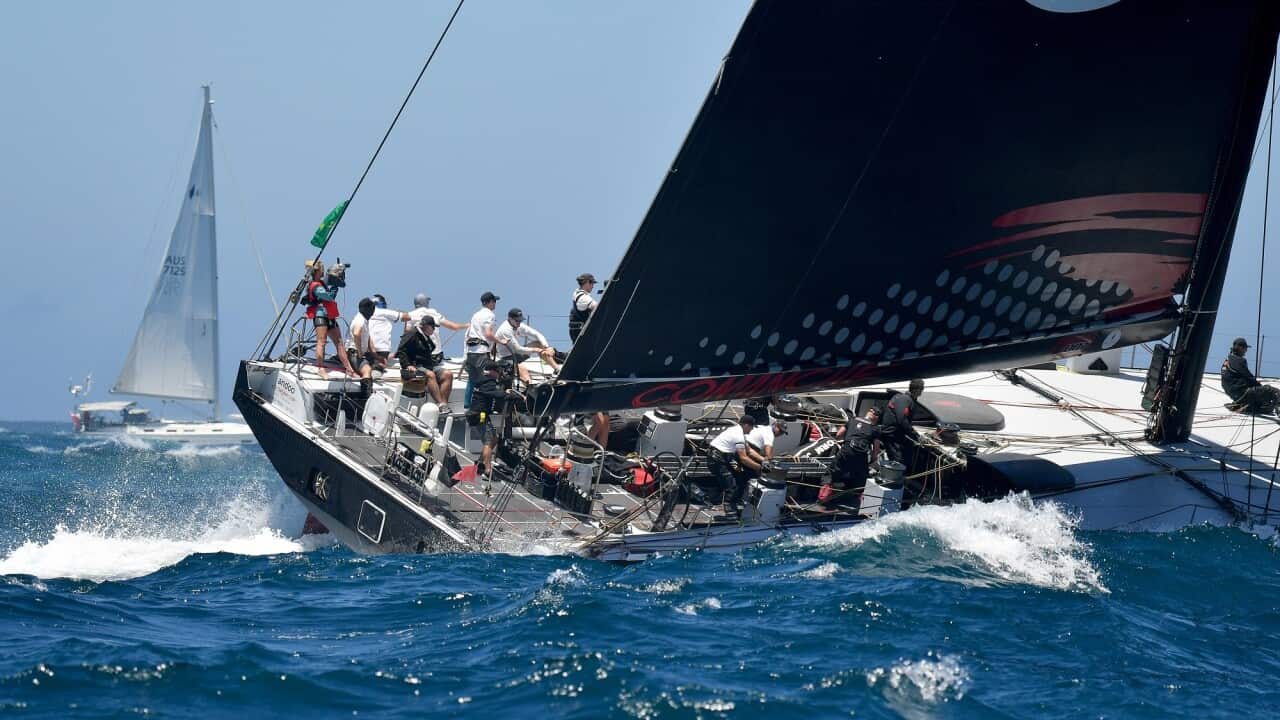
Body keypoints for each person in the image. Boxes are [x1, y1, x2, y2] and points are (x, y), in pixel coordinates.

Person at [405, 293, 467, 408]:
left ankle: (442, 406)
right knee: (434, 375)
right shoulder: (433, 313)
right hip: (432, 359)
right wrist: (468, 325)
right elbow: (454, 327)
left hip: (424, 358)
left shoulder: (410, 315)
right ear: (426, 303)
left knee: (440, 374)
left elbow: (407, 334)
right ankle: (441, 404)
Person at [300, 259, 357, 379]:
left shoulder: (321, 282)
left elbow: (329, 277)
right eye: (322, 270)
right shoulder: (315, 286)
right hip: (320, 315)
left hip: (330, 315)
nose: (323, 272)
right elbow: (329, 297)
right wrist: (335, 286)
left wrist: (338, 271)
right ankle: (320, 368)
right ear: (317, 272)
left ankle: (349, 369)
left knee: (339, 343)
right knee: (322, 341)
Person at [467, 357, 519, 479]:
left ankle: (480, 463)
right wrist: (510, 395)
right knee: (489, 442)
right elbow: (497, 394)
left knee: (494, 439)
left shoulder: (482, 380)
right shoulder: (488, 382)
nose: (499, 374)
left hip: (479, 414)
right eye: (498, 372)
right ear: (493, 371)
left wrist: (505, 391)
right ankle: (487, 471)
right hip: (479, 416)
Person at [821, 406, 882, 505]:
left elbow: (838, 434)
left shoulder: (852, 420)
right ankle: (857, 502)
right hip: (860, 456)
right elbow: (876, 448)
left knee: (831, 472)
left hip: (846, 451)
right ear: (876, 418)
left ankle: (823, 496)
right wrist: (874, 460)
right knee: (862, 478)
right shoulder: (875, 428)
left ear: (868, 413)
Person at [706, 415, 763, 518]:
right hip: (717, 461)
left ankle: (737, 502)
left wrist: (764, 461)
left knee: (741, 475)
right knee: (732, 484)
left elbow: (749, 451)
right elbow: (744, 459)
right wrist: (760, 468)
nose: (752, 430)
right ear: (746, 425)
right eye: (751, 427)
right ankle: (730, 512)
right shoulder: (738, 435)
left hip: (726, 458)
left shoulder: (737, 431)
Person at [396, 315, 451, 409]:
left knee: (447, 374)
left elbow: (430, 349)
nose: (434, 330)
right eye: (433, 327)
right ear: (426, 326)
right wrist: (407, 365)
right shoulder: (412, 333)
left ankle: (444, 404)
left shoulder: (426, 336)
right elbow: (401, 350)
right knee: (431, 375)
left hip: (428, 365)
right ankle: (440, 404)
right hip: (416, 365)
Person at [494, 308, 561, 384]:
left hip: (518, 354)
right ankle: (530, 387)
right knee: (523, 370)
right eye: (517, 320)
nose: (519, 323)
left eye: (520, 320)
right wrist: (536, 350)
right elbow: (517, 349)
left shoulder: (518, 325)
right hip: (508, 357)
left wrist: (546, 347)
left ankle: (557, 370)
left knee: (538, 343)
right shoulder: (505, 330)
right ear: (510, 319)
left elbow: (536, 334)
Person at [1221, 337, 1280, 413]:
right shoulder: (1238, 359)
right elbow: (1248, 377)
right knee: (1272, 391)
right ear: (1240, 347)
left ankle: (1241, 406)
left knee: (1262, 404)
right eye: (1245, 348)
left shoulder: (1228, 360)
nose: (1246, 351)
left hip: (1234, 394)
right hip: (1242, 392)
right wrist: (1262, 388)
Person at [463, 291, 500, 406]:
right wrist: (500, 341)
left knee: (472, 380)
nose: (495, 304)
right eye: (494, 301)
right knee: (488, 377)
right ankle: (487, 405)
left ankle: (467, 406)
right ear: (489, 302)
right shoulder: (490, 315)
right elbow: (488, 334)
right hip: (481, 352)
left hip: (471, 352)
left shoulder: (475, 315)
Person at [880, 379, 924, 466]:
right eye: (921, 389)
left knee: (906, 453)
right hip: (892, 435)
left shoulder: (901, 397)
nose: (922, 391)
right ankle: (894, 477)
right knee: (898, 460)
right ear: (917, 389)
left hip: (894, 434)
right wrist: (915, 434)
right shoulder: (905, 399)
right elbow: (902, 419)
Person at [364, 293, 410, 371]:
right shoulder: (386, 312)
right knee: (381, 362)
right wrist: (395, 312)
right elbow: (407, 317)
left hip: (366, 348)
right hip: (382, 349)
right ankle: (379, 368)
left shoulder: (365, 314)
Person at [568, 273, 598, 343]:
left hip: (580, 333)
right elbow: (596, 307)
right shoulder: (582, 297)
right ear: (587, 282)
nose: (593, 286)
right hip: (581, 334)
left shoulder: (578, 294)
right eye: (592, 283)